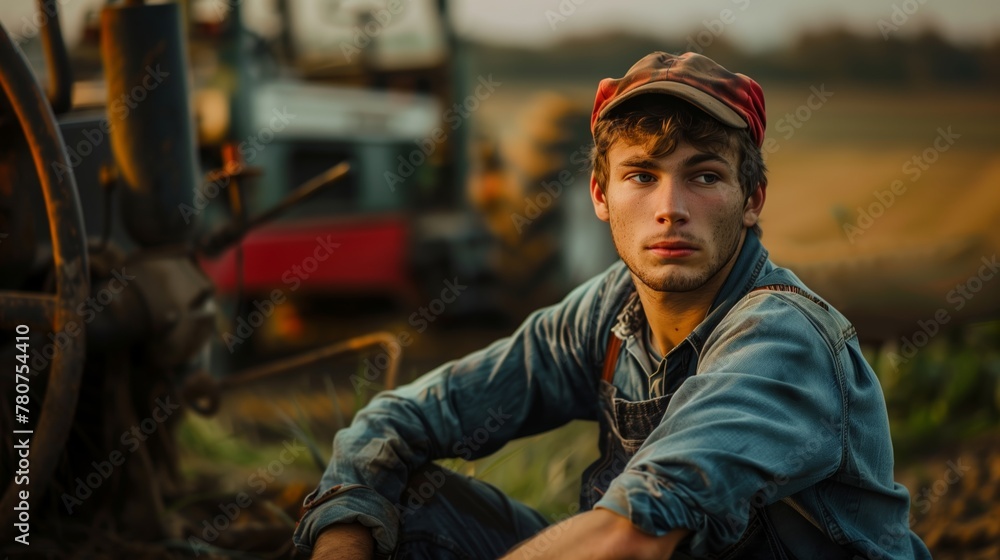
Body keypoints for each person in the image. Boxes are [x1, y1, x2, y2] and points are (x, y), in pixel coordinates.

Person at [293, 52, 931, 559]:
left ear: (753, 198)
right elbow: (397, 420)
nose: (670, 207)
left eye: (705, 176)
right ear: (600, 194)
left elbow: (630, 537)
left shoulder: (781, 339)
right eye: (642, 176)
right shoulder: (608, 313)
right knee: (398, 497)